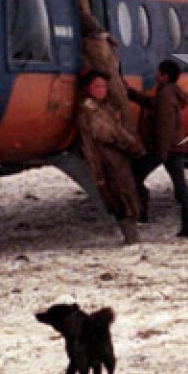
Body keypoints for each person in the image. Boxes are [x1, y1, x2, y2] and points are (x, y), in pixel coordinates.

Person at [76, 71, 145, 244]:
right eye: (97, 86)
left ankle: (132, 235)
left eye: (104, 86)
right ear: (88, 88)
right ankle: (130, 236)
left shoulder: (102, 107)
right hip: (107, 160)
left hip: (114, 159)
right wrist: (131, 144)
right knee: (119, 195)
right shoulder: (91, 109)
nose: (102, 90)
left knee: (125, 192)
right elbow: (107, 133)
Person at [130, 59, 188, 238]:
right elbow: (152, 104)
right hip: (174, 147)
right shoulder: (170, 93)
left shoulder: (166, 95)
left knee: (135, 175)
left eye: (158, 72)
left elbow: (165, 123)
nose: (155, 74)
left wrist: (162, 151)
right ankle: (187, 225)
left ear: (165, 76)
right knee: (180, 184)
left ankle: (142, 212)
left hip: (164, 147)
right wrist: (132, 93)